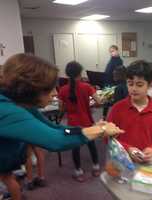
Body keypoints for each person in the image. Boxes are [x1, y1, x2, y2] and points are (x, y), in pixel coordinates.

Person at [0, 53, 123, 200]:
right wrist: (101, 130)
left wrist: (89, 129)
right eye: (50, 89)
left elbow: (56, 129)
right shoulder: (7, 109)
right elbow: (56, 140)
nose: (55, 94)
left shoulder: (21, 104)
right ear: (31, 89)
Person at [107, 60, 152, 164]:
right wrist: (127, 149)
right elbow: (108, 136)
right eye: (130, 84)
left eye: (139, 85)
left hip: (146, 162)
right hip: (122, 162)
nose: (133, 89)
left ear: (149, 86)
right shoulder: (117, 108)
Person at [58, 61, 103, 182]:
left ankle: (78, 172)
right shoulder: (87, 87)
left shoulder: (62, 90)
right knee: (91, 145)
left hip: (71, 125)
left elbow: (61, 109)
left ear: (67, 74)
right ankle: (96, 167)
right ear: (80, 73)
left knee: (75, 147)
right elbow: (99, 102)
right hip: (87, 122)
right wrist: (89, 105)